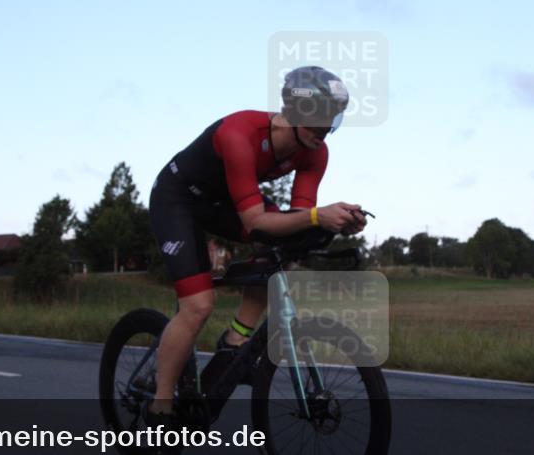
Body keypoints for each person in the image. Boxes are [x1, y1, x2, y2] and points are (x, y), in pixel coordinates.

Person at [146, 66, 368, 426]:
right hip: (178, 201)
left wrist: (342, 224)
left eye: (330, 122)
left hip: (224, 204)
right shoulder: (240, 133)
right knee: (198, 305)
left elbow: (298, 219)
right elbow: (255, 222)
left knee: (279, 255)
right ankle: (160, 402)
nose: (323, 130)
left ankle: (234, 342)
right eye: (316, 121)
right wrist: (316, 217)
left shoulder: (315, 152)